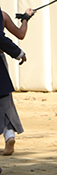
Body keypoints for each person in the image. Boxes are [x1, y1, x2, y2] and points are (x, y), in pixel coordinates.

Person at [1, 8, 30, 156]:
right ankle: (9, 135)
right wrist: (25, 18)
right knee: (5, 102)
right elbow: (20, 34)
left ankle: (9, 136)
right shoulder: (2, 15)